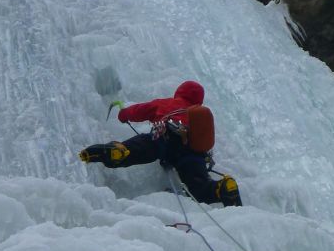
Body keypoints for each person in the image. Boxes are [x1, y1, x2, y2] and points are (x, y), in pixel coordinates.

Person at [79, 80, 242, 207]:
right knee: (200, 189)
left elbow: (139, 110)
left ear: (179, 92)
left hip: (165, 137)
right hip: (192, 152)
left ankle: (120, 150)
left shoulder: (166, 103)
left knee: (141, 147)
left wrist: (124, 114)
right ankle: (221, 188)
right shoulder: (198, 116)